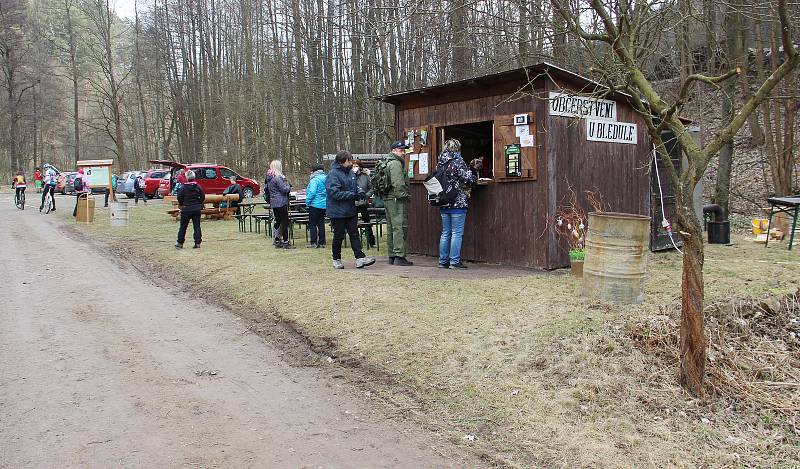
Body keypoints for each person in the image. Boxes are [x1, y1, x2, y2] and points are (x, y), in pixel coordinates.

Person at [325, 150, 375, 269]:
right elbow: (335, 193)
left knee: (354, 233)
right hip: (337, 212)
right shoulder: (333, 174)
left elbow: (355, 186)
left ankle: (360, 258)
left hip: (350, 209)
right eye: (349, 160)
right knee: (339, 235)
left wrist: (361, 192)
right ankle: (336, 259)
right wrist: (353, 195)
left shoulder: (351, 173)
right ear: (343, 161)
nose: (351, 162)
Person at [436, 139, 477, 270]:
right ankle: (454, 261)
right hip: (457, 202)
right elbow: (468, 179)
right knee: (456, 233)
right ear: (457, 149)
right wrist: (472, 170)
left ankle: (443, 261)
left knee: (445, 233)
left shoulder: (440, 163)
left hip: (443, 202)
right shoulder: (458, 162)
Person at [384, 141, 412, 266]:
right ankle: (399, 256)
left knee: (391, 227)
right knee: (399, 227)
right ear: (393, 150)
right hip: (396, 198)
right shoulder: (395, 163)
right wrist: (404, 196)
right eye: (400, 150)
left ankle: (392, 255)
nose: (403, 152)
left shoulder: (387, 161)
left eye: (403, 150)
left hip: (389, 198)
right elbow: (398, 183)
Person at [265, 160, 294, 249]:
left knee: (277, 220)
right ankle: (285, 241)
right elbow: (284, 190)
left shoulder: (269, 177)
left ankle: (277, 240)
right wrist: (288, 186)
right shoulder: (277, 177)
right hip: (281, 202)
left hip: (274, 202)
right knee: (284, 221)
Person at [175, 170, 205, 249]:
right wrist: (199, 203)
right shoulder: (198, 186)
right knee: (197, 226)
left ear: (187, 178)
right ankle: (197, 243)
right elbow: (202, 196)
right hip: (196, 209)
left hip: (186, 209)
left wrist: (182, 205)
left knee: (183, 226)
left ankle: (180, 243)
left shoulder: (183, 187)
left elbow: (179, 197)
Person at [352, 160, 376, 248]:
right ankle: (356, 243)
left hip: (363, 202)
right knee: (353, 224)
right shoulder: (350, 176)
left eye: (356, 166)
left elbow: (371, 188)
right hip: (353, 203)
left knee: (367, 222)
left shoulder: (365, 176)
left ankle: (371, 241)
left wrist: (367, 195)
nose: (355, 168)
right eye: (353, 166)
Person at [304, 163, 327, 248]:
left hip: (314, 204)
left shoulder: (315, 180)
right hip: (323, 205)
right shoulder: (326, 178)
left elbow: (312, 192)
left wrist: (307, 202)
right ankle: (322, 242)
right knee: (321, 223)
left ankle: (313, 242)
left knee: (312, 224)